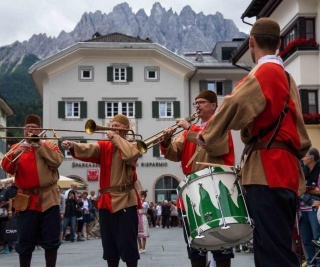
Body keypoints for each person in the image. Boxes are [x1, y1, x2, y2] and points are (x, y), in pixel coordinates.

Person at [197, 18, 311, 267]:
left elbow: (232, 103)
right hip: (287, 170)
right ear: (279, 43)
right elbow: (300, 129)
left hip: (266, 171)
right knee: (281, 245)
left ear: (251, 42)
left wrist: (208, 134)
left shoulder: (263, 72)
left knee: (271, 251)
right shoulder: (287, 77)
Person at [160, 90, 235, 267]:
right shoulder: (188, 132)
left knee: (221, 246)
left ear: (213, 105)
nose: (197, 106)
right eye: (196, 103)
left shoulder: (221, 125)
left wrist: (189, 128)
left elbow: (216, 146)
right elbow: (174, 153)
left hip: (216, 188)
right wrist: (165, 141)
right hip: (191, 190)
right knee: (195, 246)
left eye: (202, 102)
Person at [61, 114, 141, 267]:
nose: (111, 127)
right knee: (109, 245)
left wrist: (115, 138)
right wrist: (73, 145)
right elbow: (89, 148)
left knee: (128, 244)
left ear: (126, 128)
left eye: (116, 126)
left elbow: (130, 155)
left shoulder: (133, 145)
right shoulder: (104, 146)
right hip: (106, 201)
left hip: (125, 200)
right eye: (111, 125)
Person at [1, 114, 64, 267]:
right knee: (24, 242)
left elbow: (57, 161)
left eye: (34, 128)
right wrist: (16, 152)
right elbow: (5, 165)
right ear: (24, 130)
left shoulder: (49, 144)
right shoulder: (16, 147)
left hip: (48, 199)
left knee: (51, 241)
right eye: (28, 128)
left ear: (40, 130)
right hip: (25, 200)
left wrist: (40, 145)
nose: (31, 131)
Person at [299, 148, 320, 266]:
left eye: (305, 156)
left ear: (312, 158)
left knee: (317, 238)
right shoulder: (304, 171)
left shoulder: (319, 171)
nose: (303, 158)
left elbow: (318, 190)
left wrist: (307, 190)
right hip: (302, 208)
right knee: (306, 237)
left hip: (315, 208)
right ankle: (311, 261)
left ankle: (318, 263)